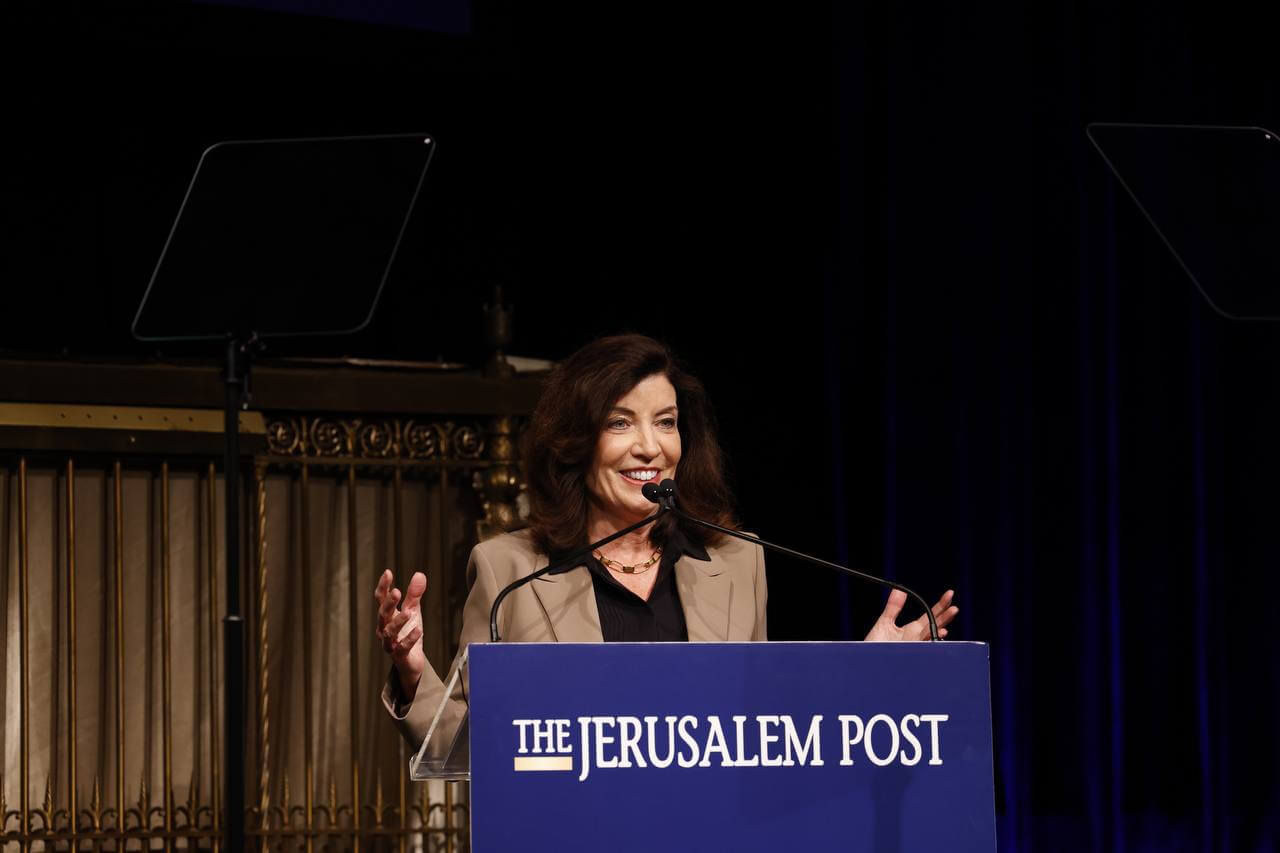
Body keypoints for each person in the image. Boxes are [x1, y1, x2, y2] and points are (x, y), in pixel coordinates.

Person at [374, 334, 957, 750]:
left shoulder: (736, 561)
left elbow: (764, 733)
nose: (650, 447)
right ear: (576, 442)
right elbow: (470, 749)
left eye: (667, 422)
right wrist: (413, 670)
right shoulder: (510, 571)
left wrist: (868, 673)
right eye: (620, 422)